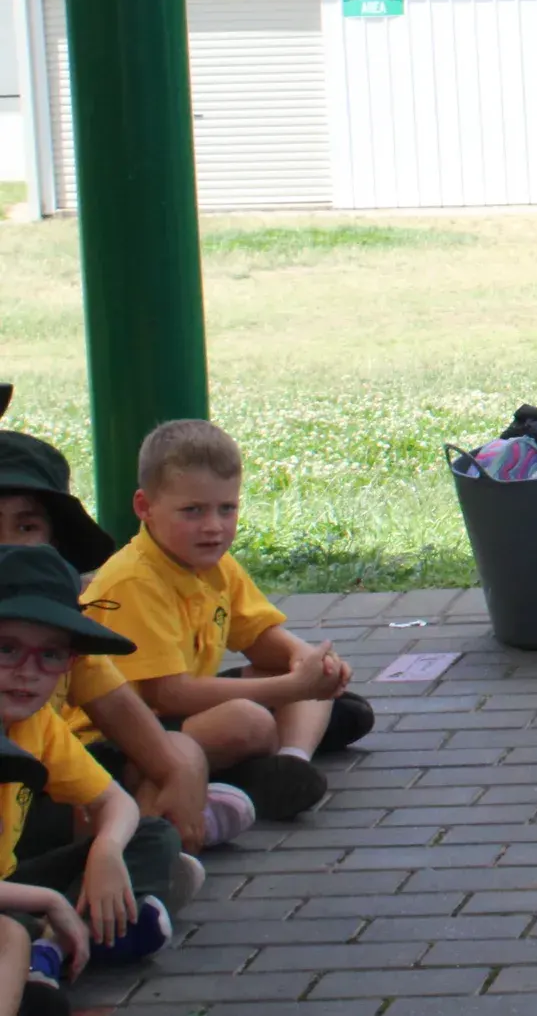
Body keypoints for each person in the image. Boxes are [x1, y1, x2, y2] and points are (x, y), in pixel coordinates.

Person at [77, 422, 373, 824]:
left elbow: (261, 639)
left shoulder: (216, 564)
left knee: (319, 690)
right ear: (145, 507)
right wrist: (292, 686)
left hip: (178, 718)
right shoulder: (133, 579)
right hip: (119, 740)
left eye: (226, 508)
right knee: (249, 719)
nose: (214, 526)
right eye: (192, 511)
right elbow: (168, 696)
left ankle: (290, 763)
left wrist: (309, 661)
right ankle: (236, 773)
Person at [0, 430, 252, 853]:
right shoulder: (135, 578)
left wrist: (181, 769)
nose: (5, 543)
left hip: (49, 781)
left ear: (53, 541)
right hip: (28, 811)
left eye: (26, 527)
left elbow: (118, 706)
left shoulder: (54, 628)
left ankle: (142, 855)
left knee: (174, 755)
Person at [0, 546, 195, 1012]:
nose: (28, 672)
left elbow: (117, 802)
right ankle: (65, 937)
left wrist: (106, 853)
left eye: (51, 654)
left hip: (11, 885)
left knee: (149, 837)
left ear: (71, 664)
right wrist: (48, 900)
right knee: (12, 933)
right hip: (15, 900)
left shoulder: (37, 725)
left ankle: (50, 951)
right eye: (6, 648)